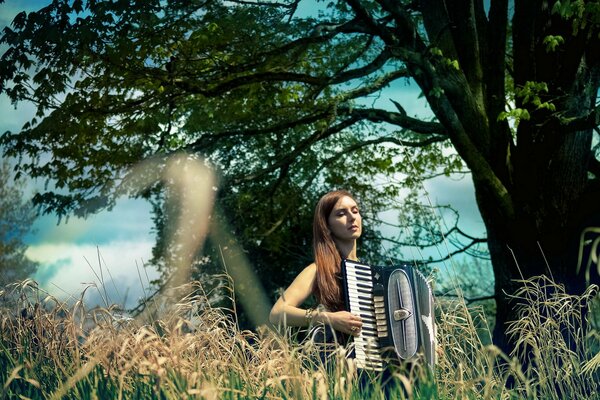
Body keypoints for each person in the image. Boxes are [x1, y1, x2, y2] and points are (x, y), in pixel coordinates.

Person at [269, 189, 364, 349]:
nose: (352, 217)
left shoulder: (372, 273)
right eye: (341, 214)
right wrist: (329, 319)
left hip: (375, 365)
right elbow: (277, 313)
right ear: (327, 226)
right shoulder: (317, 270)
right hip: (336, 360)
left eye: (355, 211)